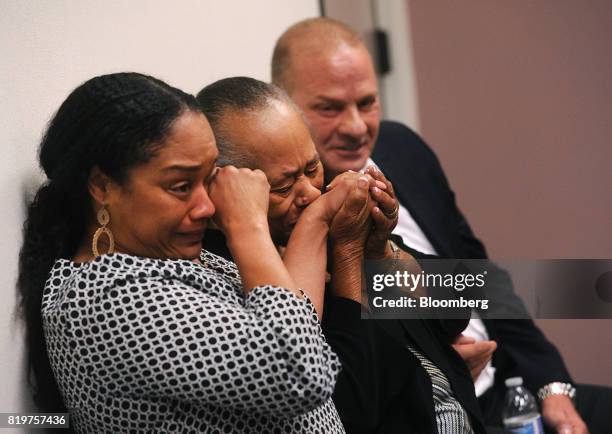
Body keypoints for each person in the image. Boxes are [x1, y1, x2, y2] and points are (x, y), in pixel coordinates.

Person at [271, 17, 609, 434]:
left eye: (367, 102)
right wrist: (440, 368)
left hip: (511, 388)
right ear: (285, 109)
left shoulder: (402, 149)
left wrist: (551, 385)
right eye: (329, 108)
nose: (357, 127)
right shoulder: (292, 213)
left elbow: (481, 281)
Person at [17, 72, 346, 433]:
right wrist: (350, 258)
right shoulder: (104, 298)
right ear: (101, 185)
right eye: (180, 186)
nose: (207, 207)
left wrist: (358, 238)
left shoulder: (178, 258)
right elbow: (319, 377)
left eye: (208, 180)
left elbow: (302, 323)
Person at [196, 76, 489, 434]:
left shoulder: (331, 209)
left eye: (311, 168)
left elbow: (454, 308)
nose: (307, 193)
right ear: (228, 189)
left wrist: (379, 249)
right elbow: (347, 409)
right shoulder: (225, 275)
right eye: (283, 186)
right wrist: (348, 254)